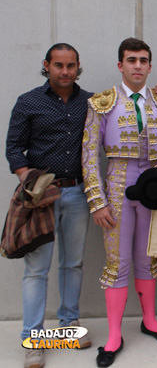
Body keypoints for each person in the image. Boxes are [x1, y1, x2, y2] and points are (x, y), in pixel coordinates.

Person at [82, 38, 157, 367]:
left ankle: (150, 320)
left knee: (147, 257)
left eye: (143, 60)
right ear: (120, 66)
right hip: (117, 186)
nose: (138, 65)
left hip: (153, 189)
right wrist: (97, 202)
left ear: (150, 66)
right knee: (117, 262)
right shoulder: (102, 103)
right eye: (131, 60)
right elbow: (88, 155)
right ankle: (115, 334)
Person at [6, 43, 92, 368]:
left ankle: (68, 327)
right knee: (36, 270)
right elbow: (14, 147)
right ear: (47, 65)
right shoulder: (28, 102)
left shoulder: (91, 102)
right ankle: (33, 340)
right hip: (41, 198)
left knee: (73, 264)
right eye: (59, 65)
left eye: (71, 65)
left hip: (78, 193)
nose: (65, 71)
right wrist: (29, 179)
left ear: (78, 66)